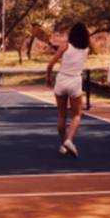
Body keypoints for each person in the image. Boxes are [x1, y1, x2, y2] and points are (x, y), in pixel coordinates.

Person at [46, 22, 90, 158]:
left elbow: (50, 65)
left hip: (61, 82)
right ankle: (69, 141)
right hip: (75, 83)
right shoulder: (87, 50)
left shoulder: (64, 47)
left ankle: (62, 146)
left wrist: (48, 78)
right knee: (76, 116)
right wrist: (56, 46)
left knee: (62, 116)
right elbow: (74, 52)